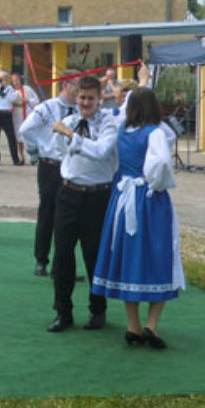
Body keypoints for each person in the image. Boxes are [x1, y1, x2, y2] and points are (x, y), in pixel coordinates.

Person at [91, 87, 185, 349]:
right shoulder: (154, 133)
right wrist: (156, 183)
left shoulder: (122, 129)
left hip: (122, 199)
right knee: (159, 256)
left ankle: (133, 325)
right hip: (148, 200)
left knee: (128, 256)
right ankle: (151, 325)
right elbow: (162, 164)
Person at [46, 75, 118, 333]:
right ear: (76, 98)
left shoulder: (109, 123)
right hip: (68, 194)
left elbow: (102, 152)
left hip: (97, 197)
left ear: (100, 99)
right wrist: (66, 134)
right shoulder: (68, 121)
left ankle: (98, 309)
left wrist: (72, 137)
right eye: (82, 98)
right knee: (63, 254)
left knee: (94, 255)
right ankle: (62, 312)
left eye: (90, 98)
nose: (85, 103)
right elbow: (56, 151)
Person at [19, 70, 79, 277]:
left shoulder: (80, 110)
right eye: (76, 84)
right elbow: (26, 129)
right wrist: (34, 151)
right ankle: (41, 260)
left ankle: (62, 264)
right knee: (47, 213)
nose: (80, 88)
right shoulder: (47, 108)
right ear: (65, 84)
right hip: (51, 166)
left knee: (69, 217)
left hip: (72, 166)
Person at [11, 73, 40, 165]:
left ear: (20, 81)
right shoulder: (11, 91)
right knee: (19, 138)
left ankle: (33, 157)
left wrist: (27, 100)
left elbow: (36, 101)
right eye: (14, 81)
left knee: (29, 137)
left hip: (26, 115)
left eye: (17, 80)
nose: (16, 83)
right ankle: (21, 157)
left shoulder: (27, 89)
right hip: (16, 115)